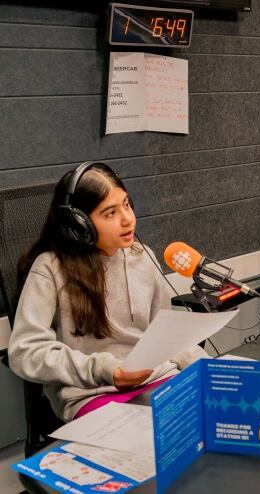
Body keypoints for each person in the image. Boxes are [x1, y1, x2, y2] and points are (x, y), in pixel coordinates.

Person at [8, 162, 207, 422]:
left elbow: (165, 333)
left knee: (215, 419)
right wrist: (106, 370)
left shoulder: (142, 256)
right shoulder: (50, 268)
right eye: (110, 213)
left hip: (159, 378)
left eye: (126, 204)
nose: (128, 219)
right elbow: (25, 351)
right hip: (94, 394)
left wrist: (206, 369)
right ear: (79, 225)